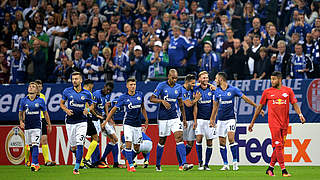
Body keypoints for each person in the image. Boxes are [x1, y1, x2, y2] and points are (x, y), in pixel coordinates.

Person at [248, 71, 306, 177]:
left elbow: (294, 104)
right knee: (278, 146)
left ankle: (270, 168)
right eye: (271, 79)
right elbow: (259, 107)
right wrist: (252, 122)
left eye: (274, 79)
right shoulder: (267, 92)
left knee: (279, 147)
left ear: (279, 79)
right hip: (273, 123)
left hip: (284, 123)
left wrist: (300, 114)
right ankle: (284, 170)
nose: (272, 81)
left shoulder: (288, 91)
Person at [210, 72, 263, 171]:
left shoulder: (233, 89)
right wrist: (212, 119)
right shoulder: (216, 91)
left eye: (216, 79)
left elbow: (245, 99)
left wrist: (257, 107)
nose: (215, 80)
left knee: (231, 138)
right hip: (220, 120)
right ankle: (225, 164)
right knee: (221, 142)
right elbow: (215, 106)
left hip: (231, 119)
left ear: (221, 79)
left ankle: (235, 162)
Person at [149, 69, 193, 171]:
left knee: (179, 137)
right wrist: (162, 101)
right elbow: (151, 98)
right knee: (162, 141)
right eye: (173, 78)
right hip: (163, 118)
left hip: (175, 117)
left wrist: (184, 119)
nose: (174, 80)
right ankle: (158, 164)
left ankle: (183, 164)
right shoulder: (161, 85)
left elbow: (181, 104)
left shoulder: (179, 87)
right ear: (168, 76)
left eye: (176, 78)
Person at [101, 78, 149, 172]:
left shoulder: (140, 95)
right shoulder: (123, 97)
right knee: (128, 144)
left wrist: (146, 119)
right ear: (127, 86)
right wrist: (106, 121)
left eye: (134, 84)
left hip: (137, 124)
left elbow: (143, 107)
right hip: (127, 124)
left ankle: (124, 149)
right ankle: (130, 165)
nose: (133, 86)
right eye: (131, 84)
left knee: (137, 147)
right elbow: (113, 109)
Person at [59, 72, 94, 175]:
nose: (74, 81)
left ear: (81, 80)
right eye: (73, 79)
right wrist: (66, 110)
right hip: (70, 122)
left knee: (80, 144)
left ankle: (77, 167)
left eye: (76, 79)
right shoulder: (67, 91)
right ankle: (74, 151)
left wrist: (87, 109)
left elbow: (92, 105)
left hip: (82, 122)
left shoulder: (87, 93)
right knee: (73, 147)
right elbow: (61, 103)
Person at [19, 82, 52, 172]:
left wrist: (49, 124)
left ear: (37, 90)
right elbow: (21, 112)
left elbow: (45, 113)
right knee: (30, 146)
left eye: (33, 87)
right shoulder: (23, 100)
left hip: (37, 125)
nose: (30, 88)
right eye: (29, 86)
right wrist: (21, 121)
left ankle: (33, 164)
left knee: (35, 144)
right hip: (27, 126)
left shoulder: (40, 100)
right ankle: (35, 163)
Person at [81, 79, 107, 168]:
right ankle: (86, 159)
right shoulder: (88, 93)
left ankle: (81, 163)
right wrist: (96, 115)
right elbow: (90, 107)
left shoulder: (77, 92)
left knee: (80, 141)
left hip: (77, 118)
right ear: (90, 85)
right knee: (95, 138)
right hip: (86, 118)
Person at [193, 71, 217, 171]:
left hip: (209, 119)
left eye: (207, 78)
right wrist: (195, 121)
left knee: (209, 142)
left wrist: (213, 119)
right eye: (203, 78)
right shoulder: (196, 89)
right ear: (199, 79)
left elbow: (215, 106)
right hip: (199, 119)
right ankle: (200, 163)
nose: (206, 79)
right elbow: (195, 106)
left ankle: (206, 164)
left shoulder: (212, 90)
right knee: (198, 139)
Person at [98, 82, 123, 168]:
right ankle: (103, 159)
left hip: (107, 120)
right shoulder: (118, 102)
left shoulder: (107, 96)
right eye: (107, 89)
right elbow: (107, 105)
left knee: (114, 140)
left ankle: (114, 162)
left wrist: (111, 120)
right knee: (115, 139)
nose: (108, 91)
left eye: (110, 90)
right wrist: (107, 120)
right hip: (103, 120)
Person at [34, 80, 56, 166]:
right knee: (31, 142)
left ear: (42, 87)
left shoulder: (43, 96)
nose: (39, 87)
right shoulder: (29, 97)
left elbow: (45, 111)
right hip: (33, 120)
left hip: (42, 120)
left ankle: (47, 161)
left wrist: (49, 124)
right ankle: (27, 161)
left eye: (40, 86)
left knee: (44, 139)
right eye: (37, 86)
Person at [181, 74, 201, 162]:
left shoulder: (191, 90)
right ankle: (182, 162)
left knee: (190, 143)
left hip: (191, 119)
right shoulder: (181, 90)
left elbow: (194, 106)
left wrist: (195, 120)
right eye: (192, 83)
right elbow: (188, 104)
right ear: (187, 82)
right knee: (180, 141)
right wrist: (196, 99)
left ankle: (181, 160)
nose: (194, 85)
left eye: (194, 83)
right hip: (182, 119)